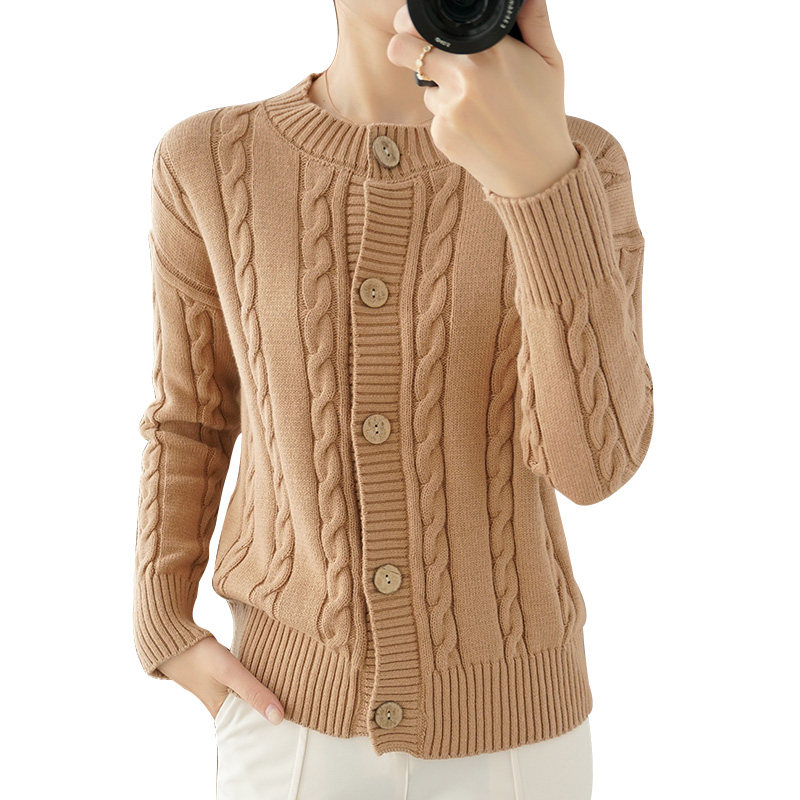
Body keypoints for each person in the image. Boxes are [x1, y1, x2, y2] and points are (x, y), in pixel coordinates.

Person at [132, 0, 654, 797]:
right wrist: (163, 619)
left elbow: (593, 466)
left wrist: (540, 186)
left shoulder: (579, 161)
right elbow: (191, 419)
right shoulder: (208, 159)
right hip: (288, 726)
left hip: (518, 742)